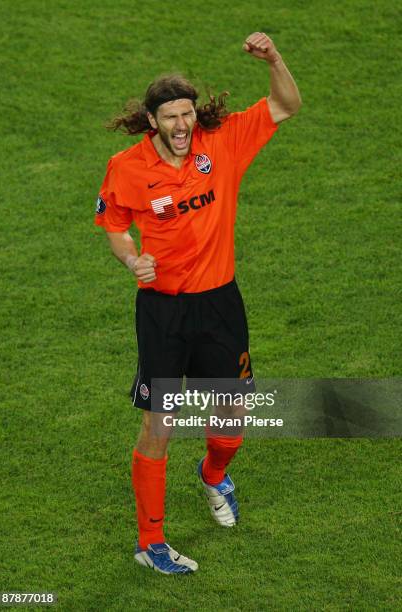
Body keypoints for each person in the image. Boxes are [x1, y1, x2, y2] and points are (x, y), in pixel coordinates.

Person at [94, 32, 301, 575]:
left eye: (187, 114)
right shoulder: (127, 167)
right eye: (170, 117)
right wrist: (130, 259)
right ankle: (151, 543)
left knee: (231, 422)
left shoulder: (224, 141)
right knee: (159, 423)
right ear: (152, 120)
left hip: (219, 305)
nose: (182, 125)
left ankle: (213, 476)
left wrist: (273, 58)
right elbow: (115, 225)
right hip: (162, 311)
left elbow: (286, 104)